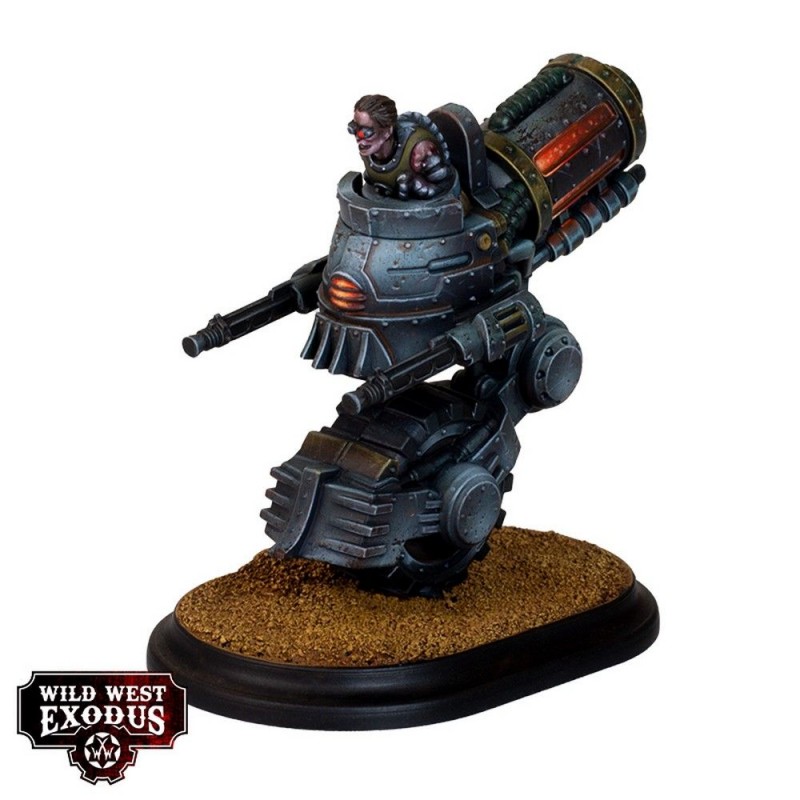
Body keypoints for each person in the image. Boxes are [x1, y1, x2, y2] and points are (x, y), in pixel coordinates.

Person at [348, 95, 454, 200]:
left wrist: (417, 185)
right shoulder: (368, 149)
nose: (358, 137)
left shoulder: (421, 150)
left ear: (387, 132)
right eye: (354, 128)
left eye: (365, 132)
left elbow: (446, 187)